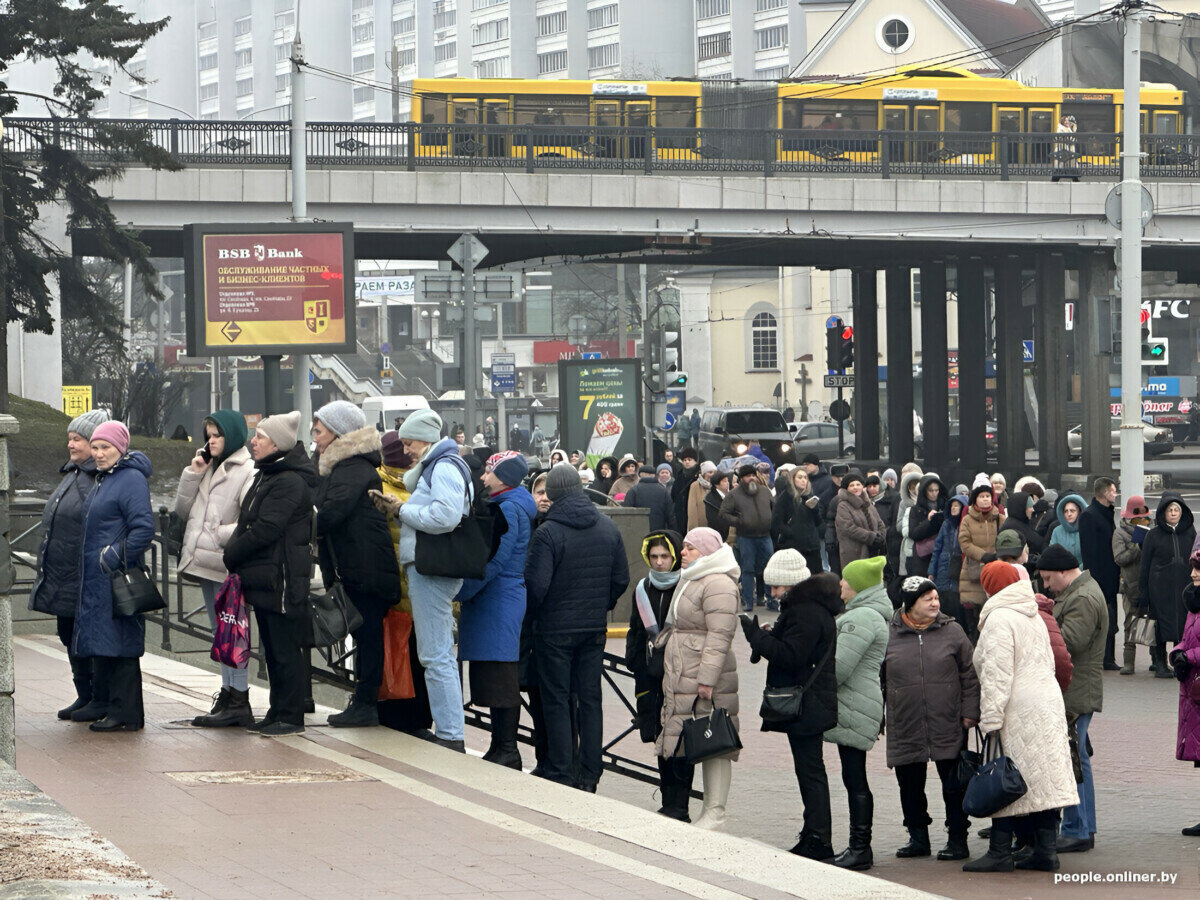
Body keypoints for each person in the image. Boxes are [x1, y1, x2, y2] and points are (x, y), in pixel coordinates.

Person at [965, 562, 1079, 872]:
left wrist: (990, 719)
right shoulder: (1032, 614)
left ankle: (999, 852)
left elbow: (996, 675)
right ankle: (1046, 851)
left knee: (1005, 776)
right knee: (1040, 779)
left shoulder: (999, 618)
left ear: (990, 588)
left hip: (1018, 707)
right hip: (1047, 702)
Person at [526, 465, 630, 790]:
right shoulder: (607, 526)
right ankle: (590, 772)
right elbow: (621, 579)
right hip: (593, 629)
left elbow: (536, 587)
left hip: (554, 630)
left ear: (554, 493)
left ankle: (561, 769)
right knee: (590, 699)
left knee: (556, 698)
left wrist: (539, 615)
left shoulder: (548, 532)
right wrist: (602, 606)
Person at [377, 409, 474, 751]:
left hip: (431, 569)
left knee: (435, 655)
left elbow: (445, 515)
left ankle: (450, 735)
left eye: (410, 442)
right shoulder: (443, 464)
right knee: (438, 654)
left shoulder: (443, 466)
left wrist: (401, 510)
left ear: (426, 439)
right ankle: (450, 731)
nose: (407, 451)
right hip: (432, 568)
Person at [309, 401, 402, 728]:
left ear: (338, 433)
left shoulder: (351, 470)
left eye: (318, 431)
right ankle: (364, 701)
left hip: (366, 569)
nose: (315, 438)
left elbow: (327, 514)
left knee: (368, 637)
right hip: (360, 566)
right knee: (366, 636)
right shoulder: (343, 467)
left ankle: (366, 703)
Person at [223, 411, 316, 736]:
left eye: (260, 437)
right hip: (266, 576)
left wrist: (232, 552)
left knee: (285, 649)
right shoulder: (268, 474)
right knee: (273, 649)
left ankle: (290, 716)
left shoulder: (288, 480)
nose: (253, 441)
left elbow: (266, 528)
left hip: (282, 578)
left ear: (277, 443)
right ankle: (277, 711)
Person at [741, 561, 840, 860]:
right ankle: (813, 834)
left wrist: (756, 637)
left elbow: (791, 656)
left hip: (807, 703)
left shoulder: (805, 612)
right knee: (809, 770)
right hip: (811, 701)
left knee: (810, 772)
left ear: (792, 584)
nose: (772, 592)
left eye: (776, 586)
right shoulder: (809, 608)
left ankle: (819, 839)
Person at [885, 576, 980, 862]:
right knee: (909, 784)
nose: (935, 603)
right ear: (910, 604)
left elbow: (970, 674)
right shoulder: (889, 633)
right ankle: (917, 836)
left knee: (954, 784)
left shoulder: (952, 631)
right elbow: (876, 678)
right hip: (905, 721)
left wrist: (970, 712)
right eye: (927, 599)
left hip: (948, 721)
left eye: (936, 598)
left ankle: (957, 838)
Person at [70, 421, 154, 732]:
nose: (99, 453)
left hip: (115, 577)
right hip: (98, 578)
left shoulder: (129, 478)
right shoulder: (105, 478)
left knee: (121, 643)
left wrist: (113, 556)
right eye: (96, 447)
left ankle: (127, 714)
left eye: (106, 447)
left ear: (121, 449)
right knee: (106, 642)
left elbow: (144, 528)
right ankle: (112, 708)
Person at [174, 409, 256, 728]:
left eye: (217, 435)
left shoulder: (247, 470)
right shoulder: (208, 468)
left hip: (226, 563)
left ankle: (240, 696)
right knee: (218, 631)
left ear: (232, 435)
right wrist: (194, 473)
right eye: (208, 435)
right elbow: (183, 510)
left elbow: (249, 522)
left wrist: (214, 534)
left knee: (233, 630)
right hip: (203, 562)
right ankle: (227, 692)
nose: (211, 441)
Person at [655, 527, 740, 829]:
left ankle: (715, 811)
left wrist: (707, 678)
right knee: (699, 738)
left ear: (705, 550)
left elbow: (720, 635)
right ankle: (705, 809)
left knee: (715, 740)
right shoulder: (693, 576)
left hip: (706, 677)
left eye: (690, 547)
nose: (683, 552)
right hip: (684, 671)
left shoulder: (718, 582)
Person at [457, 452, 536, 769]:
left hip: (497, 599)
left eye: (489, 471)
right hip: (499, 598)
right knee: (496, 673)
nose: (483, 477)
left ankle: (507, 748)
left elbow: (494, 559)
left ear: (502, 477)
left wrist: (463, 591)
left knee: (502, 676)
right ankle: (499, 745)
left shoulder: (507, 507)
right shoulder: (513, 504)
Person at [30, 409, 109, 721]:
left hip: (83, 574)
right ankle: (84, 694)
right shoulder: (74, 475)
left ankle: (95, 697)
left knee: (84, 635)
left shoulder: (95, 479)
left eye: (78, 439)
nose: (71, 445)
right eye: (70, 439)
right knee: (69, 632)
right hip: (64, 573)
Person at [1036, 544, 1108, 854]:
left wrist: (1041, 621)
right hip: (1076, 689)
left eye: (1049, 579)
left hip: (1075, 691)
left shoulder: (1082, 598)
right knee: (1078, 759)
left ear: (1065, 572)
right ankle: (1082, 826)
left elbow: (1068, 643)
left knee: (1071, 761)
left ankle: (1077, 829)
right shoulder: (1077, 592)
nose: (1047, 585)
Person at [825, 556, 892, 870]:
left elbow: (839, 667)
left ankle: (860, 847)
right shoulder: (865, 613)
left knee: (855, 777)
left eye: (846, 580)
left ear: (860, 585)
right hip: (858, 701)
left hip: (855, 702)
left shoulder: (862, 617)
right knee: (853, 776)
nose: (841, 585)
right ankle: (857, 845)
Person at [374, 432, 433, 735]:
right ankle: (409, 717)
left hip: (407, 582)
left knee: (407, 653)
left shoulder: (419, 480)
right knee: (405, 653)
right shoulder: (417, 482)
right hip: (406, 581)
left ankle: (410, 716)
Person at [626, 530, 686, 818]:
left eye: (665, 556)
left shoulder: (686, 585)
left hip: (680, 675)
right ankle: (667, 798)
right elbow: (635, 630)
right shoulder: (642, 588)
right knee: (658, 735)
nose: (660, 562)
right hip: (650, 676)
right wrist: (636, 663)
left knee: (681, 738)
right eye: (654, 557)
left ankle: (680, 803)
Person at [1141, 493, 1196, 679]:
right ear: (1163, 513)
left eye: (1176, 510)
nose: (1173, 513)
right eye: (1170, 510)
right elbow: (1144, 566)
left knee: (1182, 626)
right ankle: (1159, 663)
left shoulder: (1190, 533)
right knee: (1160, 627)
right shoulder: (1153, 535)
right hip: (1159, 590)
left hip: (1183, 588)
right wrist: (1143, 596)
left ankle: (1178, 660)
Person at [1170, 552, 1200, 836]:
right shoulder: (1194, 604)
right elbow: (1188, 638)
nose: (1193, 574)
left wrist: (1189, 656)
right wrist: (1177, 652)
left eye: (1199, 569)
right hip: (1194, 690)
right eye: (1193, 569)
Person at [1079, 477, 1122, 671]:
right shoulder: (1090, 515)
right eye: (1113, 491)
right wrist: (1095, 581)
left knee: (1110, 618)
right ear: (1104, 493)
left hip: (1110, 577)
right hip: (1099, 578)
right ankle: (1101, 657)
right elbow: (1090, 553)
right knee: (1100, 619)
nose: (1115, 493)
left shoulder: (1106, 513)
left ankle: (1109, 657)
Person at [721, 464, 775, 613]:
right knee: (748, 570)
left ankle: (770, 599)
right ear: (741, 478)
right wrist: (739, 521)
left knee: (768, 569)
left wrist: (771, 521)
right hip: (746, 537)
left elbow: (773, 508)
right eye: (747, 475)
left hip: (765, 536)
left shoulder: (765, 491)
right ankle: (749, 602)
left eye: (753, 475)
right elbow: (724, 513)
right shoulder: (733, 494)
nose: (751, 478)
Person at [1112, 495, 1151, 675]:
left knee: (1153, 621)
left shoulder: (1152, 529)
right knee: (1130, 622)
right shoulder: (1119, 533)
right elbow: (1119, 559)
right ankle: (1129, 662)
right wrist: (1136, 547)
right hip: (1130, 585)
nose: (1139, 520)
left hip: (1150, 583)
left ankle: (1157, 660)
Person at [959, 484, 1003, 642]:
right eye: (981, 496)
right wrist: (983, 556)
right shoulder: (967, 520)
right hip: (974, 572)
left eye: (988, 496)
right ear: (975, 500)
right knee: (976, 618)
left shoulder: (999, 518)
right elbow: (964, 543)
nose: (985, 499)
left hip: (995, 571)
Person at [772, 466, 824, 575]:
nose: (803, 480)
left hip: (812, 546)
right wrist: (792, 533)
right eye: (800, 477)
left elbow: (818, 522)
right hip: (794, 548)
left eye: (805, 477)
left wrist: (814, 510)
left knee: (815, 580)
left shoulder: (810, 497)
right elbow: (776, 523)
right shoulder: (785, 498)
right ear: (792, 479)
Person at [929, 492, 969, 630]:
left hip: (959, 567)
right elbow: (937, 548)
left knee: (958, 603)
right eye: (952, 505)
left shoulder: (966, 524)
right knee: (943, 599)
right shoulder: (946, 524)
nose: (953, 508)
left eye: (957, 506)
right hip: (943, 567)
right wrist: (931, 571)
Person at [834, 471, 885, 568]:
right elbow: (848, 528)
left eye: (858, 484)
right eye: (851, 485)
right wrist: (871, 537)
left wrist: (881, 537)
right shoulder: (843, 505)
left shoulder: (867, 504)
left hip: (873, 552)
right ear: (847, 489)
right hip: (855, 554)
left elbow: (880, 522)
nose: (855, 487)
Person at [906, 474, 947, 577]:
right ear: (924, 491)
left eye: (936, 490)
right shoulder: (915, 510)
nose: (934, 494)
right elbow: (913, 533)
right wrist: (928, 521)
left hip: (942, 555)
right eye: (930, 490)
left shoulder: (945, 507)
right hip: (922, 558)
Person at [998, 491, 1046, 571]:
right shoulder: (1011, 528)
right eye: (1029, 506)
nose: (1032, 510)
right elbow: (1012, 556)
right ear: (1020, 507)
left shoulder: (1024, 523)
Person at [623, 464, 676, 531]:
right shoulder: (663, 491)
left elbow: (627, 512)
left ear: (640, 475)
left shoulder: (634, 490)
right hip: (659, 531)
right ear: (654, 475)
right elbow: (670, 514)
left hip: (638, 530)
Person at [1049, 493, 1086, 562]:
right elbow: (1052, 554)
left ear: (1080, 512)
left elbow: (1092, 555)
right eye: (1066, 511)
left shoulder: (1088, 530)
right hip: (1062, 570)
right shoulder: (1057, 531)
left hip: (1085, 571)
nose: (1069, 514)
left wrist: (1078, 571)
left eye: (1072, 511)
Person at [672, 447, 700, 530]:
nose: (687, 462)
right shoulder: (679, 476)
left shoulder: (699, 476)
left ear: (695, 461)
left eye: (689, 459)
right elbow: (674, 494)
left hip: (695, 514)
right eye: (684, 460)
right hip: (681, 516)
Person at [704, 470, 734, 541]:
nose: (727, 483)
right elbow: (714, 520)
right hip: (719, 535)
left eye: (727, 481)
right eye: (724, 481)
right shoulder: (710, 499)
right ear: (717, 485)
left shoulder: (730, 495)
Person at [686, 460, 715, 534]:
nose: (712, 475)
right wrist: (693, 530)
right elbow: (692, 509)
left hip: (715, 528)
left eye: (714, 472)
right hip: (700, 528)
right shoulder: (695, 486)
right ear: (703, 474)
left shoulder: (718, 486)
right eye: (710, 472)